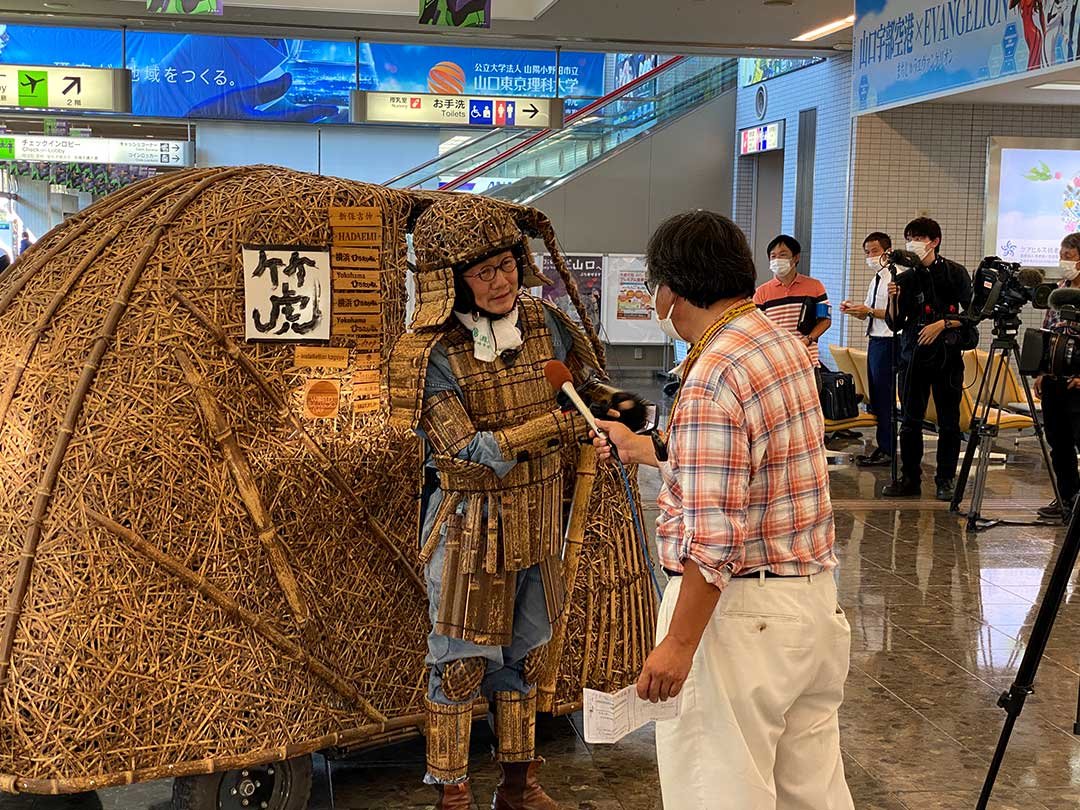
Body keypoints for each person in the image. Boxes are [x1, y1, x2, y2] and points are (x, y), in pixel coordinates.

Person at [593, 211, 853, 810]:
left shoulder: (710, 375)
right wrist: (652, 450)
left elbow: (714, 541)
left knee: (720, 792)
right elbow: (761, 467)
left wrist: (679, 644)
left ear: (670, 292)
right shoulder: (782, 345)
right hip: (811, 607)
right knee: (811, 793)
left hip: (741, 621)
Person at [388, 196, 604, 810]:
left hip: (539, 517)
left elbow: (583, 391)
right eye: (483, 271)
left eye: (507, 264)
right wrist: (555, 431)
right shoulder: (427, 354)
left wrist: (617, 416)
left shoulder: (548, 325)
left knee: (526, 659)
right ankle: (453, 793)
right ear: (452, 281)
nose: (502, 279)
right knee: (460, 665)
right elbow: (463, 446)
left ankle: (518, 784)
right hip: (468, 526)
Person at [883, 217, 972, 501]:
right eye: (909, 237)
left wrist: (942, 324)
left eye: (919, 238)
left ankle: (945, 479)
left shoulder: (956, 273)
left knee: (949, 422)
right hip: (913, 356)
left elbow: (972, 315)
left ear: (934, 241)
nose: (913, 243)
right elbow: (894, 323)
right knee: (910, 420)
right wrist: (893, 298)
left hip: (947, 357)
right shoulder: (905, 277)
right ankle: (910, 479)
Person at [1034, 233, 1080, 521]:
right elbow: (1048, 332)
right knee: (1058, 442)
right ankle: (1066, 497)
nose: (1064, 262)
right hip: (1054, 378)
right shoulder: (1059, 291)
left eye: (1070, 256)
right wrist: (1041, 372)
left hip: (1078, 382)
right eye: (1061, 255)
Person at [841, 232, 897, 466]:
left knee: (885, 397)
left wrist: (869, 311)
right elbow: (871, 312)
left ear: (888, 251)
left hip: (891, 340)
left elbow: (896, 316)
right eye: (867, 252)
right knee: (877, 396)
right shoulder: (877, 278)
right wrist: (855, 310)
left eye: (874, 251)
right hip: (876, 338)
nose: (870, 257)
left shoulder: (897, 277)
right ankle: (884, 446)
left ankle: (888, 449)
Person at [753, 234, 832, 369]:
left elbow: (825, 320)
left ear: (796, 257)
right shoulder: (761, 292)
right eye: (773, 256)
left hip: (807, 359)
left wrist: (808, 340)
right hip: (775, 362)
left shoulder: (815, 286)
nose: (777, 259)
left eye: (783, 255)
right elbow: (756, 327)